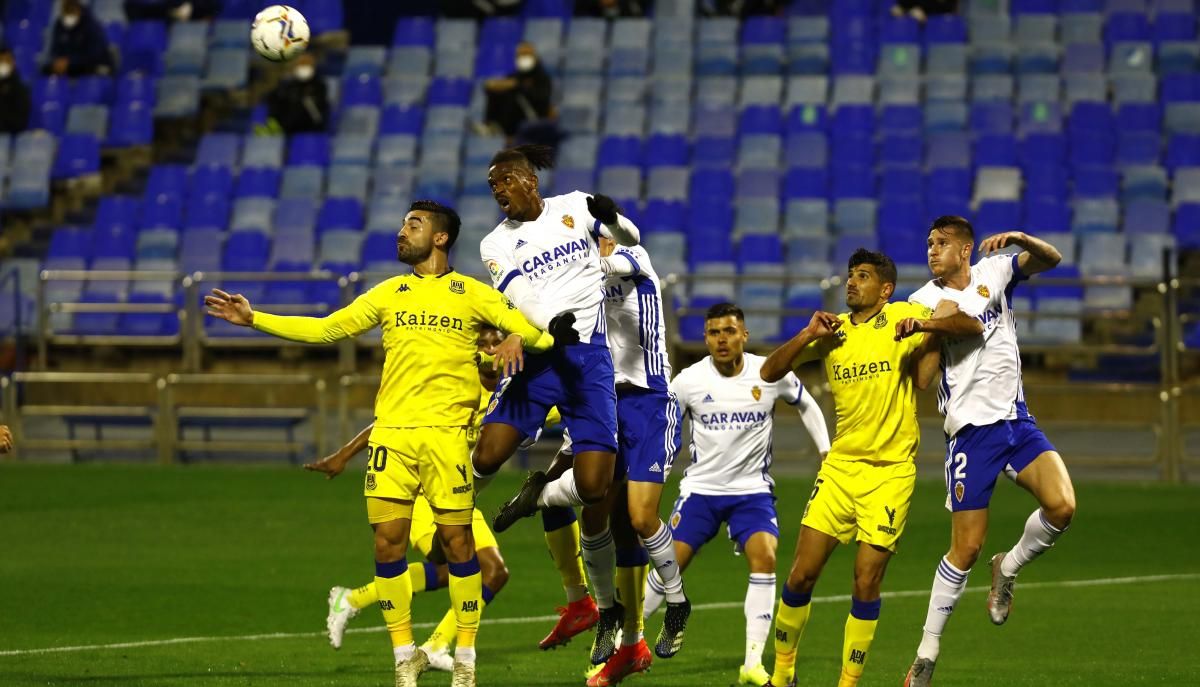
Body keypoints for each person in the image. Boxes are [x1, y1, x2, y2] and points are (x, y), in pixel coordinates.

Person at [205, 200, 556, 687]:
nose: (401, 232)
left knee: (458, 546)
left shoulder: (473, 294)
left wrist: (520, 337)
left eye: (413, 225)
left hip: (447, 442)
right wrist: (255, 319)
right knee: (387, 544)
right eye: (402, 224)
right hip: (391, 436)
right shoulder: (390, 292)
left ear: (440, 238)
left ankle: (465, 661)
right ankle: (403, 657)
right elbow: (328, 327)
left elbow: (546, 337)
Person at [899, 217, 1076, 687]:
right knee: (966, 548)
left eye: (941, 243)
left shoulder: (993, 272)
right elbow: (922, 380)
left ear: (966, 249)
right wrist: (930, 329)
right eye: (928, 243)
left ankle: (1009, 566)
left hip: (1016, 420)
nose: (932, 251)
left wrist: (1019, 238)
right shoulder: (921, 299)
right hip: (970, 433)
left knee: (1062, 506)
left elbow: (1050, 259)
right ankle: (927, 652)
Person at [756, 250, 943, 687]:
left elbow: (924, 375)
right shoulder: (832, 332)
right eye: (850, 275)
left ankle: (848, 683)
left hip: (890, 473)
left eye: (863, 276)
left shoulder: (904, 316)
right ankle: (782, 677)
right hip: (841, 469)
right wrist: (806, 335)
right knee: (801, 573)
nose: (852, 282)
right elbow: (768, 371)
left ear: (886, 289)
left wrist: (932, 333)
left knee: (865, 580)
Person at [309, 326, 517, 673]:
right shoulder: (451, 381)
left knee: (492, 571)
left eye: (497, 341)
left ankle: (433, 643)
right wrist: (344, 455)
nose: (492, 349)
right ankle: (355, 600)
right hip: (419, 492)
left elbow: (557, 410)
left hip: (455, 493)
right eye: (483, 343)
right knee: (459, 565)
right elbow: (392, 424)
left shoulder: (514, 394)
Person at [647, 302, 832, 687]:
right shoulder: (688, 381)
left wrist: (826, 451)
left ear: (743, 335)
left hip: (752, 491)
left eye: (729, 331)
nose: (721, 339)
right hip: (701, 490)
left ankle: (752, 663)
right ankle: (625, 642)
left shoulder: (770, 371)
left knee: (765, 558)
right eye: (714, 332)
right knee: (669, 568)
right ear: (705, 338)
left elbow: (807, 404)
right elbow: (662, 427)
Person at [472, 143, 640, 534]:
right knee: (486, 456)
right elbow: (520, 295)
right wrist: (552, 323)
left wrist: (612, 219)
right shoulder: (494, 243)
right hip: (539, 357)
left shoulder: (575, 205)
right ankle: (455, 512)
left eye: (506, 180)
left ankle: (538, 495)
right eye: (492, 184)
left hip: (591, 362)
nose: (498, 189)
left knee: (594, 487)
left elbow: (630, 238)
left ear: (531, 181)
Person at [481, 42, 554, 139]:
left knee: (511, 94)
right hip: (515, 118)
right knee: (497, 92)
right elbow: (499, 86)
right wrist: (492, 86)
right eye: (520, 55)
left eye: (526, 54)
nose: (523, 58)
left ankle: (508, 132)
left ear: (535, 56)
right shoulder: (514, 76)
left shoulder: (542, 77)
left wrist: (519, 87)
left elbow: (542, 99)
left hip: (535, 117)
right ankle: (491, 125)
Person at [44, 0, 114, 77]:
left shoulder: (91, 24)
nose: (69, 17)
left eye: (72, 12)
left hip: (91, 65)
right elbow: (55, 49)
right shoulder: (59, 25)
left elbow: (95, 53)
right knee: (45, 70)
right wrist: (57, 60)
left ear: (78, 10)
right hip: (70, 67)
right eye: (67, 13)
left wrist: (70, 61)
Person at [264, 54, 330, 135]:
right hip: (289, 127)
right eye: (301, 65)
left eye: (307, 65)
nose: (304, 69)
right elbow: (273, 99)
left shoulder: (319, 85)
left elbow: (320, 109)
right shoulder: (289, 86)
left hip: (311, 127)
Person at [0, 48, 31, 134]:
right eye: (0, 61)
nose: (2, 64)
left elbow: (20, 122)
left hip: (8, 136)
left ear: (13, 63)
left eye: (6, 61)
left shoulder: (20, 89)